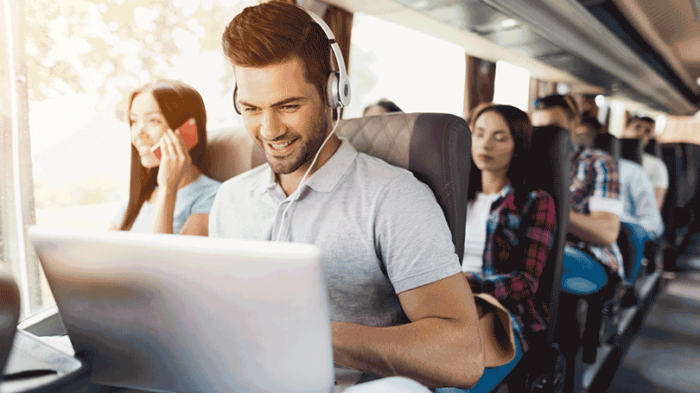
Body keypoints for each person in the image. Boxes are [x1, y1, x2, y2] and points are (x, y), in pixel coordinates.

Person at [214, 2, 483, 390]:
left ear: (333, 92)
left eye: (288, 106)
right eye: (251, 109)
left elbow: (462, 357)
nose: (269, 130)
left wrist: (306, 333)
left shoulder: (393, 198)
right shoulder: (230, 199)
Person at [438, 105, 557, 393]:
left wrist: (468, 285)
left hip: (503, 310)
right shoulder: (449, 194)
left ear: (517, 148)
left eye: (499, 137)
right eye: (479, 134)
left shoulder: (535, 202)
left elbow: (526, 281)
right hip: (444, 301)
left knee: (451, 386)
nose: (485, 144)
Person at [532, 94, 623, 296]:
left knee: (539, 258)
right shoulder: (524, 161)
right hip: (536, 245)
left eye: (554, 129)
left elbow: (606, 232)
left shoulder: (597, 162)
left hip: (587, 254)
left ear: (574, 126)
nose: (545, 136)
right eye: (538, 129)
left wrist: (549, 212)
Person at [110, 80, 221, 236]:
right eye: (134, 121)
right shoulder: (140, 198)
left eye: (153, 121)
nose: (138, 134)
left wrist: (167, 189)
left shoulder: (213, 198)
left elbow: (163, 259)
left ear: (187, 130)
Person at [621, 116, 668, 209]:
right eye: (637, 127)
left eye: (647, 131)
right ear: (624, 129)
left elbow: (655, 206)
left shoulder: (657, 165)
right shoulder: (606, 157)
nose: (641, 133)